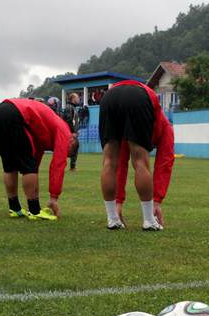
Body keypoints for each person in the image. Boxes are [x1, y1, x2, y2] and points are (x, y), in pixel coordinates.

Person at [99, 80, 175, 231]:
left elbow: (120, 163)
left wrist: (118, 203)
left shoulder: (161, 127)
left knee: (109, 161)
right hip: (138, 97)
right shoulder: (166, 128)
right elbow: (164, 164)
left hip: (109, 97)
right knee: (140, 162)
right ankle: (148, 221)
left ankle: (112, 219)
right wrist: (156, 202)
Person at [0, 98, 77, 220]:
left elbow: (36, 155)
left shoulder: (47, 130)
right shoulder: (66, 135)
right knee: (28, 167)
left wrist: (32, 169)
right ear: (72, 143)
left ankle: (15, 209)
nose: (63, 153)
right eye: (67, 153)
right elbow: (58, 165)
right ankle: (34, 210)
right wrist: (53, 198)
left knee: (10, 165)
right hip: (14, 114)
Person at [62, 92, 83, 170]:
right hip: (69, 132)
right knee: (68, 149)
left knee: (75, 147)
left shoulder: (73, 107)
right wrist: (72, 131)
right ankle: (68, 166)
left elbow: (75, 121)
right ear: (73, 99)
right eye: (77, 98)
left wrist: (77, 130)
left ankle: (72, 167)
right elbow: (68, 120)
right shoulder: (69, 107)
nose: (78, 99)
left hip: (73, 132)